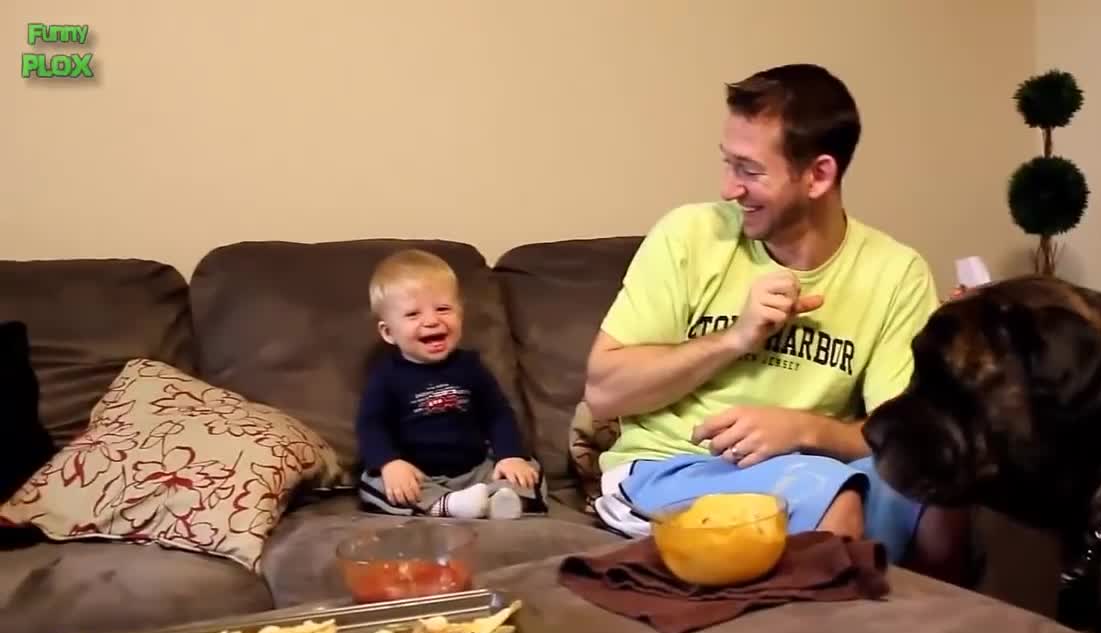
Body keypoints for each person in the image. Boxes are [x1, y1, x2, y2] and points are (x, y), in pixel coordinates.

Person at [583, 64, 977, 585]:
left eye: (748, 170)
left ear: (818, 175)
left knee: (934, 479)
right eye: (728, 164)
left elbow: (900, 434)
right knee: (832, 494)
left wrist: (805, 430)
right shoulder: (690, 235)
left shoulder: (894, 271)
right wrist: (736, 337)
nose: (729, 188)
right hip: (670, 467)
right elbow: (604, 392)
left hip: (813, 465)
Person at [356, 249, 544, 519]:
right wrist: (390, 463)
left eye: (443, 309)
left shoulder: (471, 367)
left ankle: (503, 500)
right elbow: (371, 426)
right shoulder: (386, 376)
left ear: (460, 314)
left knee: (528, 469)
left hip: (475, 470)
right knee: (375, 483)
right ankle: (447, 505)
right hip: (417, 475)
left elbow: (498, 414)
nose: (432, 321)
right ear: (388, 332)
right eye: (413, 314)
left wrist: (509, 455)